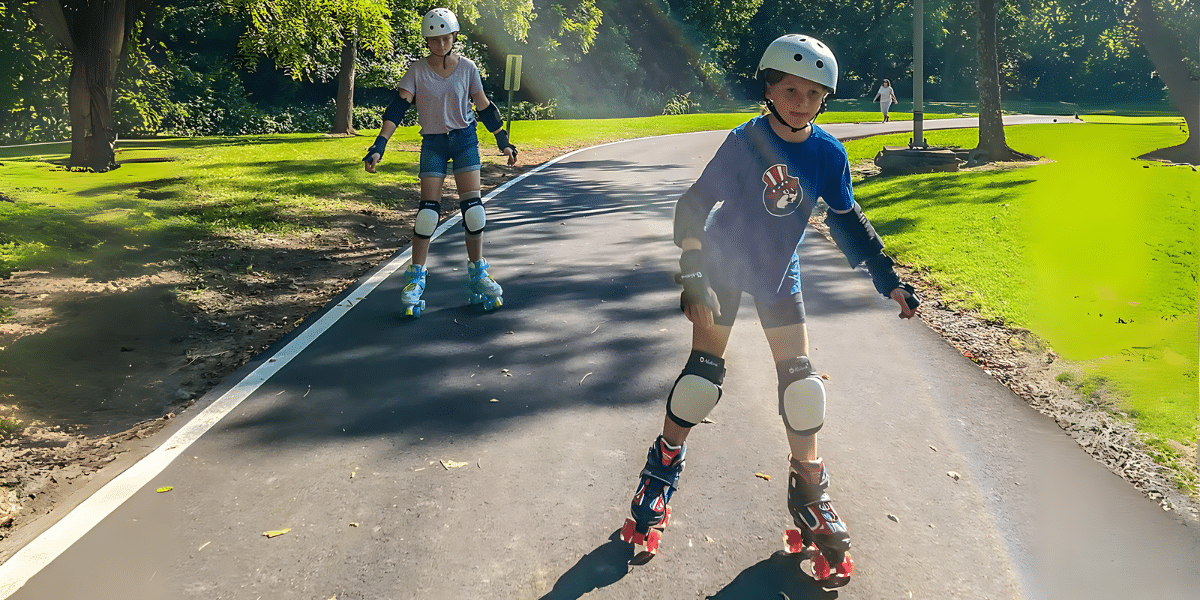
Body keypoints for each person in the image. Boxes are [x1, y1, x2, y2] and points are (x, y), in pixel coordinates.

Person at [618, 34, 919, 589]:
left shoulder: (828, 153)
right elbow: (693, 205)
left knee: (802, 385)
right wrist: (691, 274)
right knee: (701, 381)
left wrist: (889, 280)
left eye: (811, 92)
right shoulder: (745, 142)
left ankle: (810, 490)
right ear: (770, 89)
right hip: (724, 265)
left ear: (823, 98)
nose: (800, 101)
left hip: (779, 272)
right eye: (789, 89)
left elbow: (847, 220)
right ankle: (658, 476)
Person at [363, 7, 517, 316]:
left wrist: (503, 140)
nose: (440, 45)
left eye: (445, 38)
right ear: (427, 41)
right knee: (427, 214)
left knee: (474, 212)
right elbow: (397, 107)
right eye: (434, 40)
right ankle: (416, 277)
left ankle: (478, 274)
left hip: (465, 142)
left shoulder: (468, 68)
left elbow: (484, 107)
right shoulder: (416, 70)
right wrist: (379, 144)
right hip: (433, 143)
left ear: (454, 37)